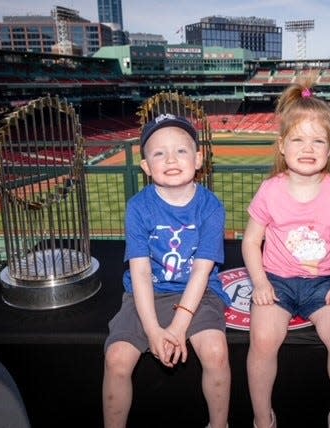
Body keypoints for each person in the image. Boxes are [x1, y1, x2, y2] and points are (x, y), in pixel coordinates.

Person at [242, 78, 330, 428]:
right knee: (262, 339)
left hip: (322, 284)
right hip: (276, 282)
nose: (307, 148)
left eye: (317, 140)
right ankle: (263, 418)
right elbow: (251, 242)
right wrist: (260, 283)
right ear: (282, 145)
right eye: (297, 138)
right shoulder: (270, 190)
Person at [102, 113, 231, 428]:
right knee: (116, 358)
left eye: (181, 150)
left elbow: (202, 272)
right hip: (146, 294)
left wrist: (176, 328)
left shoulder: (211, 206)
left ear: (199, 159)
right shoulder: (138, 206)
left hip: (198, 293)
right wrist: (153, 330)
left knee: (215, 351)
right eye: (158, 153)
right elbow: (141, 273)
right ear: (146, 166)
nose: (170, 159)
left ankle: (219, 424)